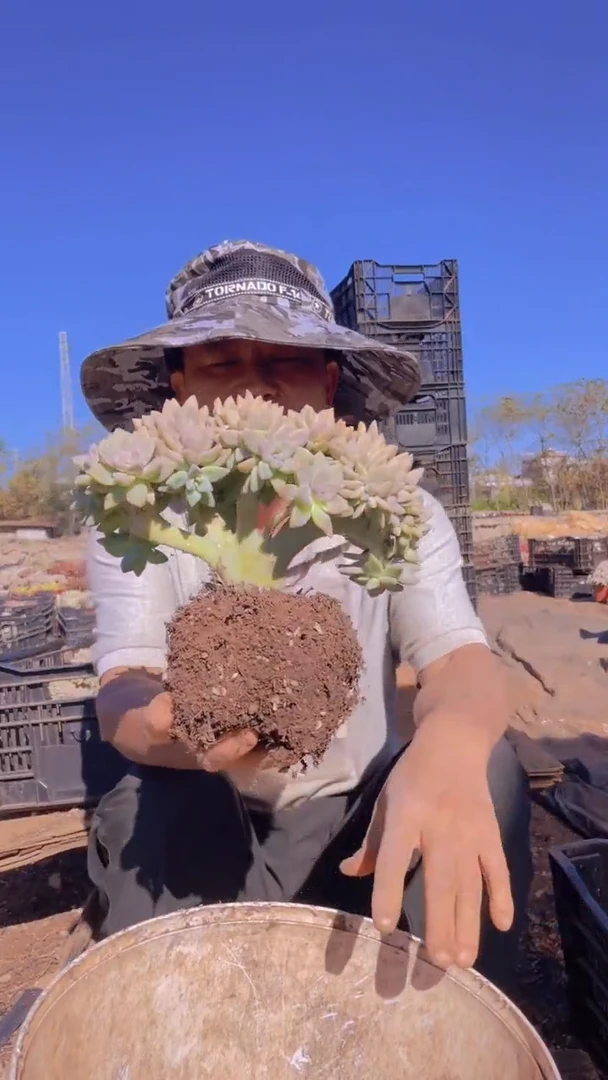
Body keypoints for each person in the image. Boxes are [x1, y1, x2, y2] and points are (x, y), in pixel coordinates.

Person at [82, 240, 531, 990]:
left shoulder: (398, 510)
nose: (256, 386)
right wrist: (170, 731)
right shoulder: (138, 514)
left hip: (362, 814)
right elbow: (122, 690)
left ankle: (452, 1007)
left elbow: (459, 661)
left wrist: (450, 740)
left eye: (286, 361)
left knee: (490, 768)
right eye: (222, 362)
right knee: (145, 807)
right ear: (179, 383)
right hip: (208, 812)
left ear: (327, 381)